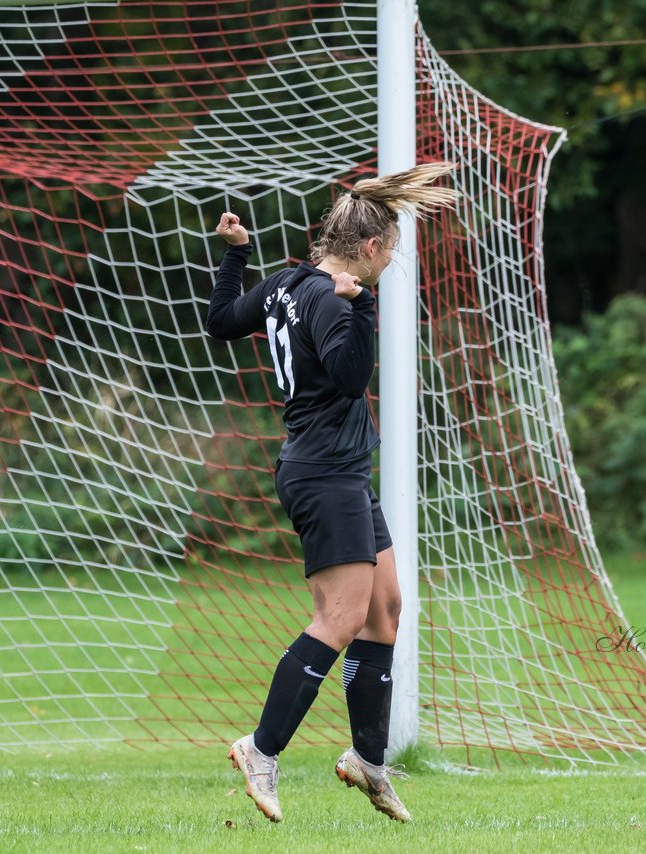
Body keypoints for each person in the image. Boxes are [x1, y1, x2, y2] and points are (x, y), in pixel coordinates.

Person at [205, 163, 457, 823]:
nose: (391, 261)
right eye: (392, 249)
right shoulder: (327, 296)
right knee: (342, 617)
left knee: (386, 609)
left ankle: (368, 760)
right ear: (372, 247)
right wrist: (360, 303)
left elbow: (224, 320)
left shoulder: (288, 283)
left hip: (335, 470)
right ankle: (260, 750)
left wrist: (236, 256)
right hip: (325, 473)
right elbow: (348, 378)